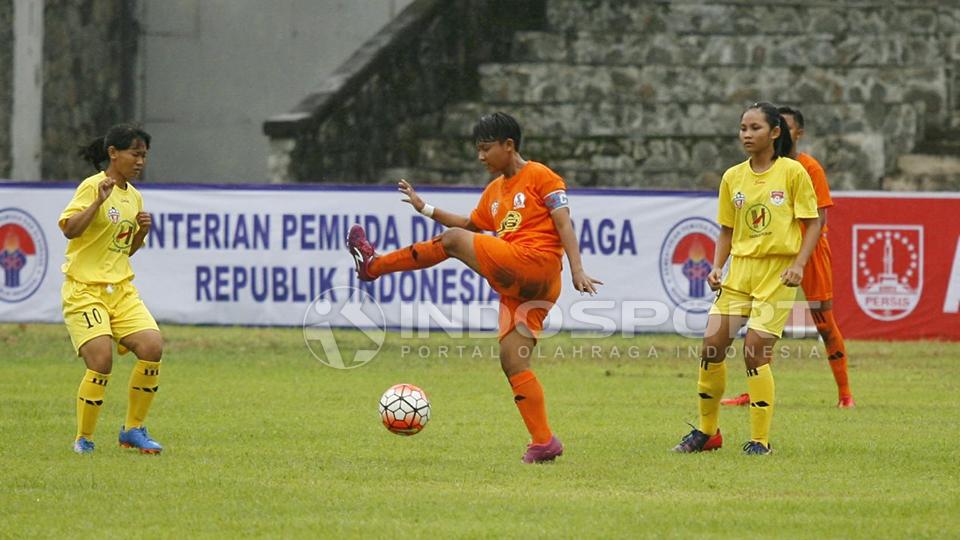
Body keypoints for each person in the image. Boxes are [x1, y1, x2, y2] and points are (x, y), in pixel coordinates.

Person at [347, 112, 602, 463]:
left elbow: (564, 223)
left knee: (452, 241)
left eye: (485, 149)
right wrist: (426, 208)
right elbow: (471, 224)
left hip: (535, 263)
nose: (480, 157)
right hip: (526, 289)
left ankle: (373, 266)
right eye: (478, 150)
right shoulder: (495, 191)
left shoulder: (542, 176)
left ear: (508, 145)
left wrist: (578, 268)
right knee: (513, 361)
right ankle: (544, 442)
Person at [672, 102, 820, 455]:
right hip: (740, 271)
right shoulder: (732, 177)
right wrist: (716, 266)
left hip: (777, 274)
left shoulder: (792, 173)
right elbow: (726, 229)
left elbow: (813, 222)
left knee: (755, 351)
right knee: (711, 345)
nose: (747, 135)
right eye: (743, 128)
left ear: (774, 133)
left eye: (755, 128)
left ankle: (760, 441)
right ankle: (708, 433)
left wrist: (799, 264)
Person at [721, 106, 854, 408]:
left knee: (823, 322)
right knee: (761, 324)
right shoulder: (759, 169)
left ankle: (845, 394)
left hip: (809, 253)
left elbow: (817, 221)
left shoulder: (808, 168)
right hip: (773, 254)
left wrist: (800, 260)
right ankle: (753, 392)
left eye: (787, 126)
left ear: (794, 132)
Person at [59, 124, 164, 455]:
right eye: (135, 154)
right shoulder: (92, 187)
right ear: (113, 153)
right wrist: (96, 203)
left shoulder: (133, 196)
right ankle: (84, 438)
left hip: (120, 290)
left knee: (152, 346)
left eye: (144, 155)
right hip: (85, 290)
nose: (140, 161)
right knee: (102, 359)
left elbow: (122, 250)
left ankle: (132, 430)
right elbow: (70, 230)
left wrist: (141, 234)